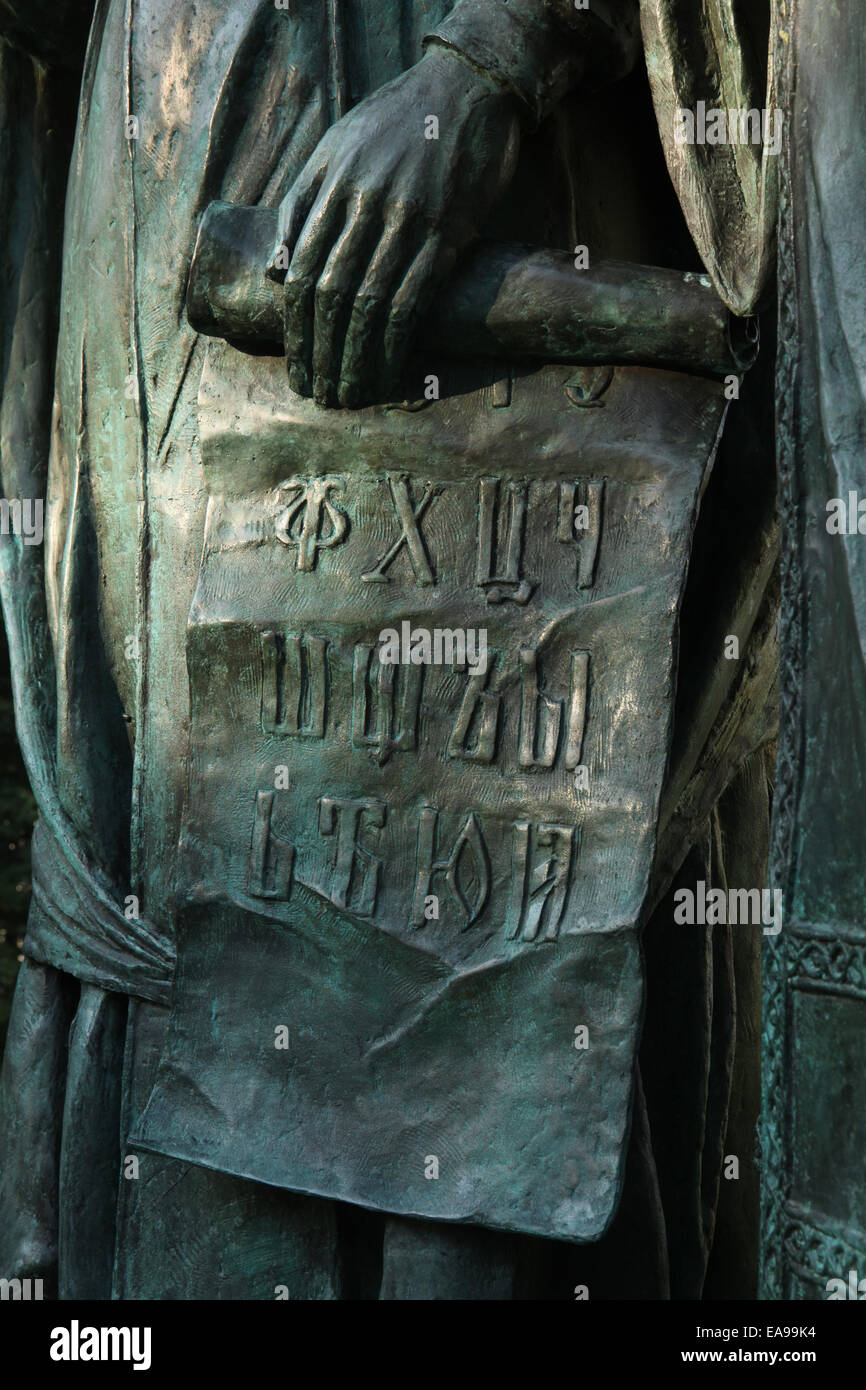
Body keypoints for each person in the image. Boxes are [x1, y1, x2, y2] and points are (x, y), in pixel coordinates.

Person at [0, 0, 777, 1299]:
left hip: (488, 160)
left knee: (486, 942)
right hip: (151, 189)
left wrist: (494, 53)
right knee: (176, 882)